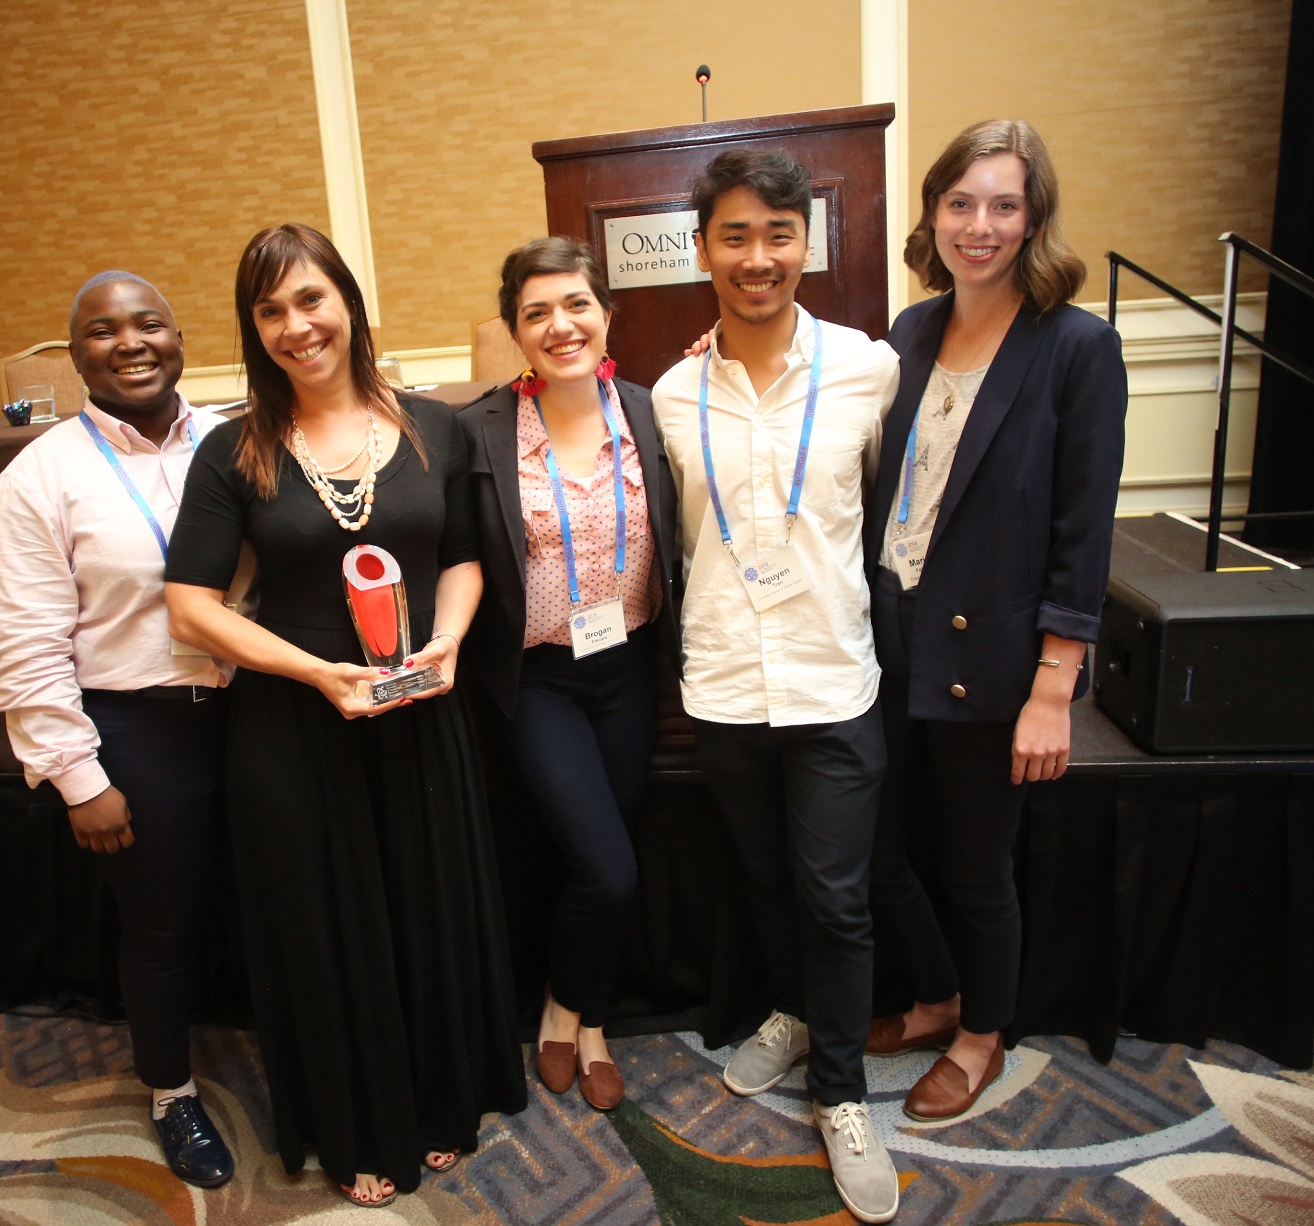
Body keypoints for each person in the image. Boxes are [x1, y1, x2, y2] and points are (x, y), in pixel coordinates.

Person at [163, 223, 525, 1209]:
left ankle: (442, 1099)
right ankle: (358, 1123)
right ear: (252, 328)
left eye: (311, 298)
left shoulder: (430, 426)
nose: (296, 325)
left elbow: (460, 554)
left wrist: (447, 639)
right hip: (293, 725)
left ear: (350, 302)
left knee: (423, 904)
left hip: (417, 709)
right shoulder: (231, 450)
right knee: (327, 929)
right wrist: (315, 672)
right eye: (270, 309)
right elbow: (189, 603)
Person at [651, 149, 902, 1224]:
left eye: (779, 234)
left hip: (833, 676)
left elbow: (889, 512)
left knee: (836, 896)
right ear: (702, 247)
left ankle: (840, 1091)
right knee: (764, 880)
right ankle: (795, 1012)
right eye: (736, 236)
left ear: (809, 242)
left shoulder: (868, 368)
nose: (759, 258)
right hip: (721, 684)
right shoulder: (667, 391)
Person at [863, 119, 1126, 1121]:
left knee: (978, 865)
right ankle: (934, 997)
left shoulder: (1075, 346)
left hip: (998, 650)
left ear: (1033, 218)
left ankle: (982, 1034)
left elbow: (1082, 526)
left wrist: (1055, 684)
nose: (980, 225)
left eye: (1003, 205)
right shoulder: (908, 332)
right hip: (890, 635)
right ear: (932, 212)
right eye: (961, 202)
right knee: (882, 852)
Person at [0, 271, 236, 1187]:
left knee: (286, 902)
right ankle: (171, 1093)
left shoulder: (235, 439)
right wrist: (76, 778)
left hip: (258, 717)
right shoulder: (40, 476)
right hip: (141, 727)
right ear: (75, 352)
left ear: (179, 337)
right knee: (162, 926)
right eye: (102, 330)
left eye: (149, 324)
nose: (130, 343)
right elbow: (21, 641)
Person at [458, 238, 678, 1112]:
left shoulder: (654, 412)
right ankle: (563, 1009)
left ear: (606, 312)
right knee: (606, 869)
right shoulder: (478, 430)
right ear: (515, 330)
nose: (561, 325)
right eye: (537, 312)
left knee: (607, 856)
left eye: (576, 304)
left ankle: (581, 1017)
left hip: (630, 668)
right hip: (538, 679)